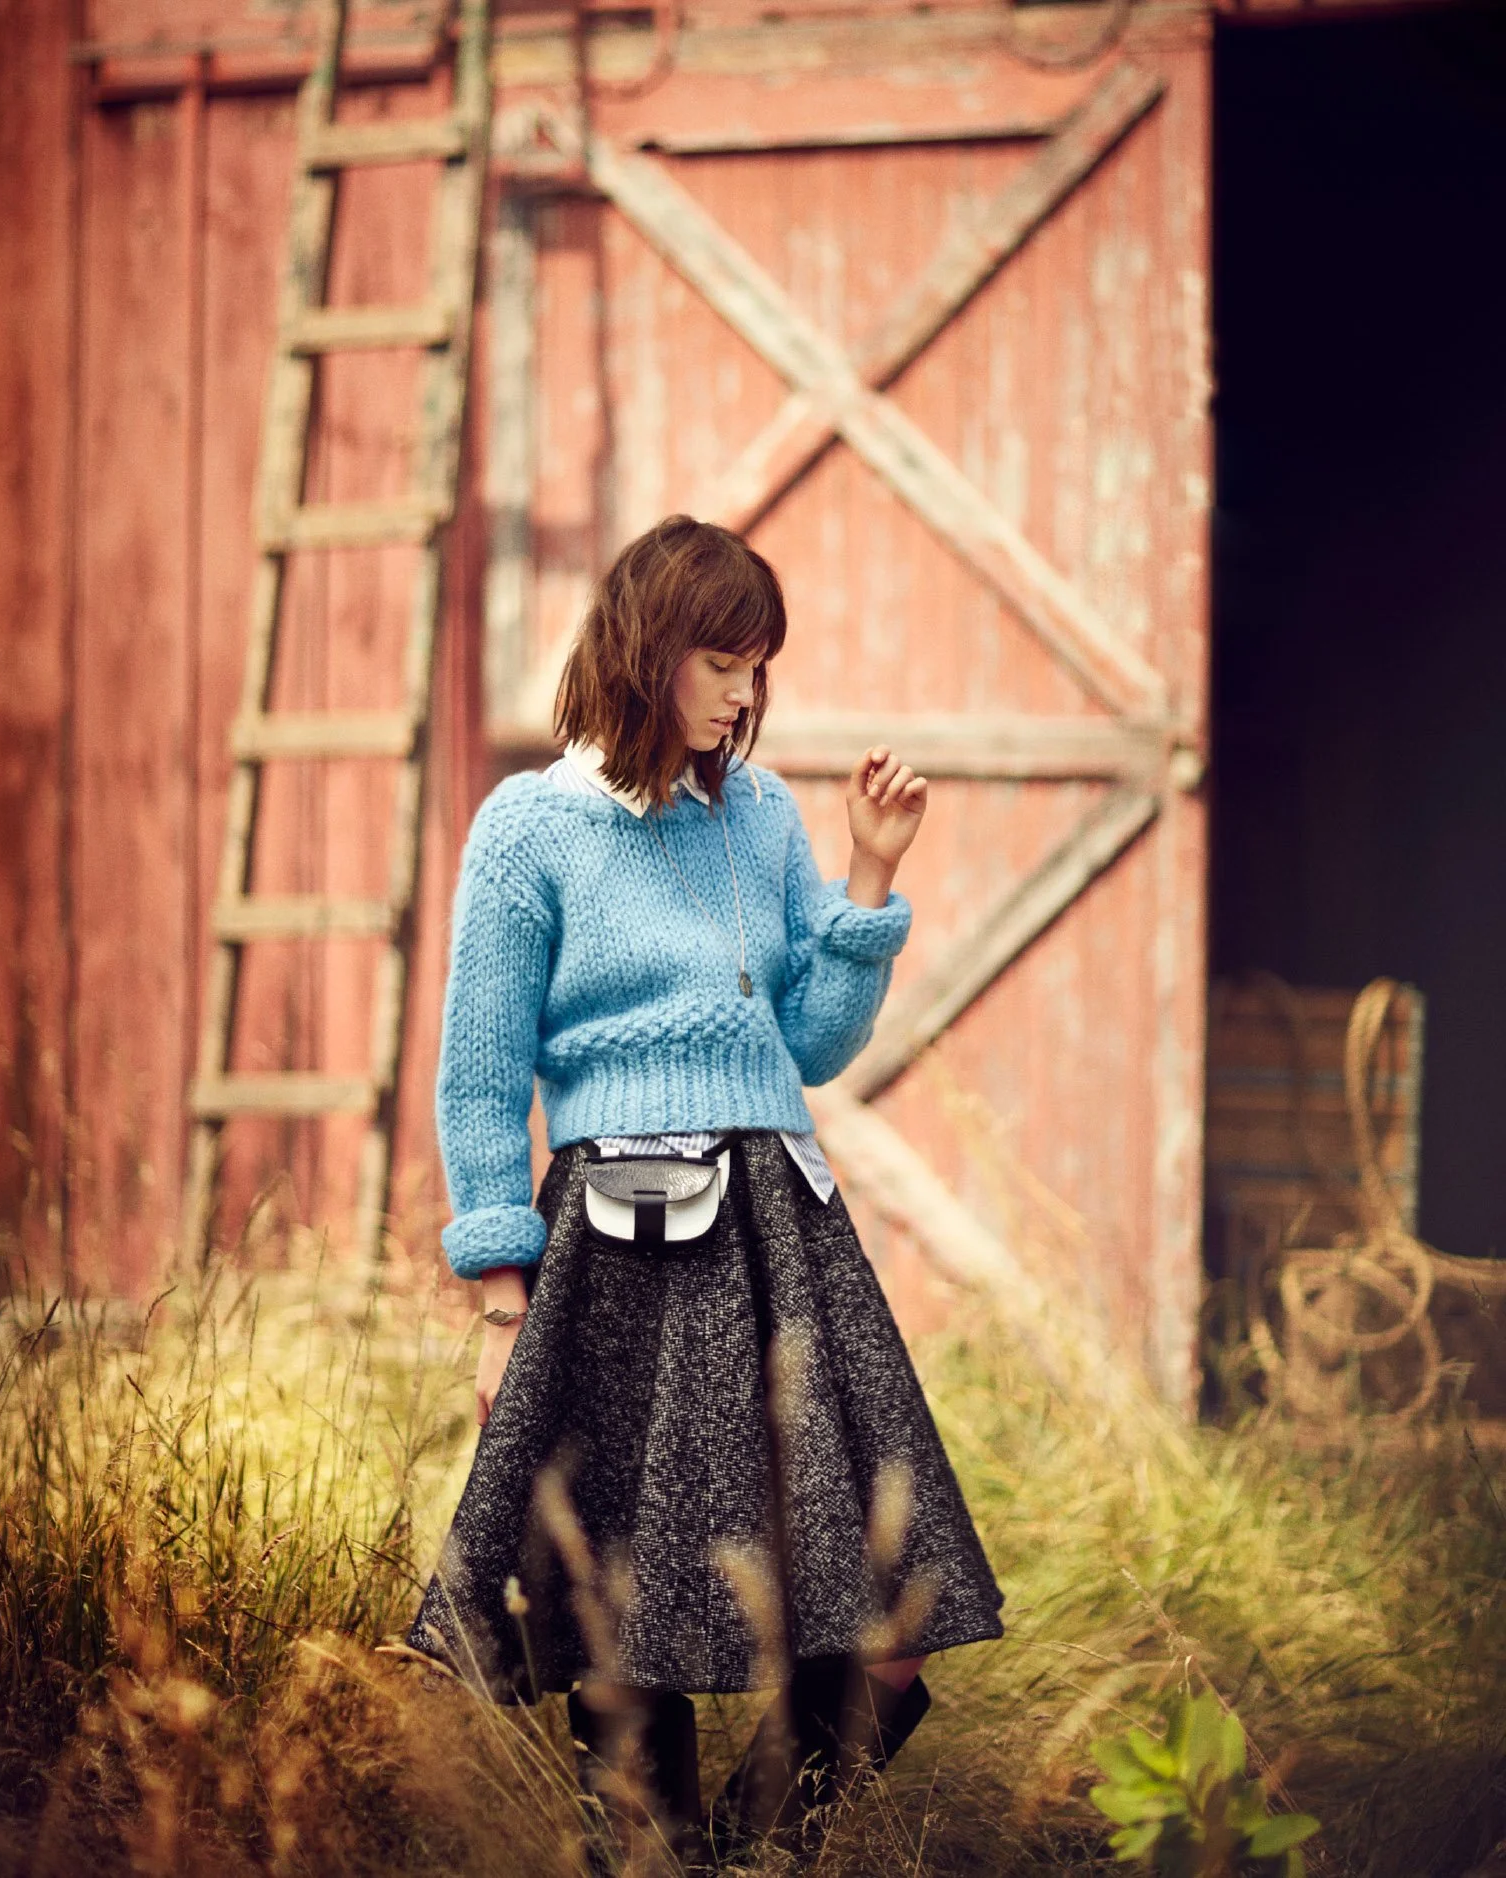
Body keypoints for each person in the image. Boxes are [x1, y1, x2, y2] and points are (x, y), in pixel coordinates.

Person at [406, 515, 1005, 1871]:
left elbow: (810, 1047)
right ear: (647, 647)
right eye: (722, 661)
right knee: (631, 1620)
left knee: (897, 1609)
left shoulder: (765, 816)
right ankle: (657, 1860)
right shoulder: (529, 827)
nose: (745, 692)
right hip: (622, 1245)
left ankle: (752, 1855)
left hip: (785, 1233)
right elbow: (480, 1076)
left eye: (758, 666)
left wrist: (870, 872)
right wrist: (501, 1301)